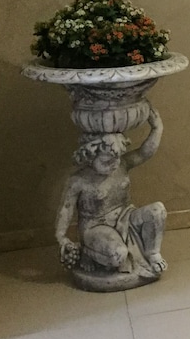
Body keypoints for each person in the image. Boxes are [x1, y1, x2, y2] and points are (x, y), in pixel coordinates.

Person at [55, 107, 167, 278]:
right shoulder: (79, 181)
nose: (114, 164)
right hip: (96, 227)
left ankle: (152, 253)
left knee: (157, 210)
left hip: (124, 216)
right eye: (107, 161)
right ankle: (88, 252)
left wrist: (157, 127)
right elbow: (66, 208)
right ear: (90, 156)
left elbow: (145, 152)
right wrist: (61, 237)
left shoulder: (122, 165)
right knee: (118, 255)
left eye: (117, 158)